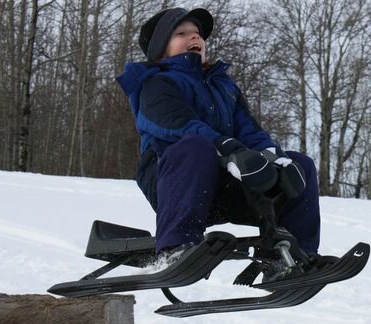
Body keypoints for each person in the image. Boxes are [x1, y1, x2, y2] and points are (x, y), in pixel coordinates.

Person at [116, 7, 321, 261]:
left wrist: (274, 157)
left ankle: (291, 257)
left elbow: (249, 130)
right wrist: (229, 148)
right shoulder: (156, 83)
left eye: (197, 33)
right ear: (161, 50)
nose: (195, 37)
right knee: (196, 146)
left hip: (225, 184)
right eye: (181, 33)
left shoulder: (223, 86)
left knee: (300, 165)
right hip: (175, 181)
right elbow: (179, 125)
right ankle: (175, 248)